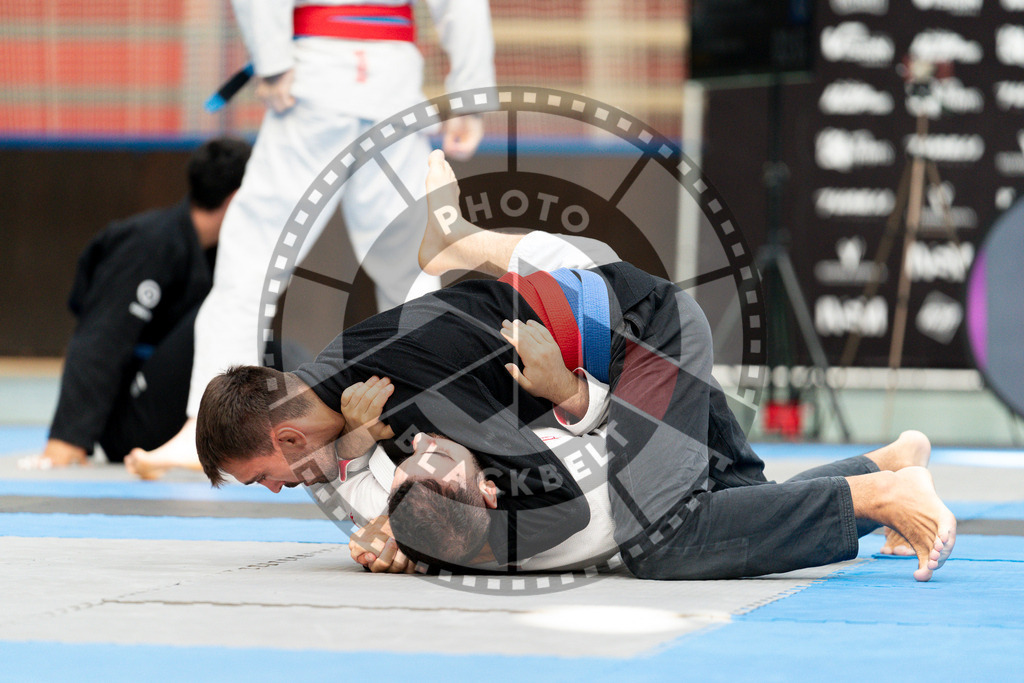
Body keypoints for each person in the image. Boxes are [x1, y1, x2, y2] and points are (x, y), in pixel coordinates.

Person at [197, 150, 955, 581]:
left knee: (664, 539)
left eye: (264, 475)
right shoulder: (343, 386)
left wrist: (435, 539)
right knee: (737, 506)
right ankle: (888, 464)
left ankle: (882, 494)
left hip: (640, 338)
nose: (277, 489)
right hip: (615, 320)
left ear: (287, 436)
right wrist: (380, 481)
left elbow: (557, 504)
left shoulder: (406, 391)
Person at [127, 0, 496, 478]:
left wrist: (272, 59)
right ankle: (435, 423)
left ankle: (205, 422)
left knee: (253, 261)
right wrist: (470, 95)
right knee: (413, 269)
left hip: (317, 80)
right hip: (393, 87)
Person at [22, 137, 251, 471]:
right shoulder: (148, 244)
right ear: (238, 199)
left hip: (164, 409)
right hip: (130, 423)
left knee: (265, 331)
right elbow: (101, 338)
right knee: (228, 307)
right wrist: (67, 439)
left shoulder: (221, 254)